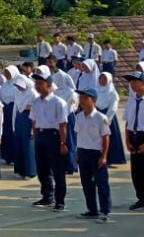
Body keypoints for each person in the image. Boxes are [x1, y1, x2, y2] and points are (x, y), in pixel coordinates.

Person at [30, 71, 69, 212]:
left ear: (49, 85)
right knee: (42, 169)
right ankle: (47, 196)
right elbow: (34, 121)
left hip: (53, 136)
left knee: (57, 171)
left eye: (41, 83)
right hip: (41, 136)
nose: (37, 86)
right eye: (36, 83)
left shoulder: (58, 102)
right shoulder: (35, 101)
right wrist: (35, 136)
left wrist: (63, 143)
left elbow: (62, 125)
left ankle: (60, 201)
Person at [73, 88, 111, 222]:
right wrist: (77, 153)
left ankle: (104, 211)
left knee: (101, 183)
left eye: (85, 98)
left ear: (93, 100)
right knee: (86, 183)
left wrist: (104, 156)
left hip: (96, 153)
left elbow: (105, 138)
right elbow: (78, 136)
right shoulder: (78, 117)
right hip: (83, 152)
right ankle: (92, 209)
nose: (82, 101)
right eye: (81, 98)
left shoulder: (101, 118)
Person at [124, 70, 144, 211]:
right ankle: (141, 198)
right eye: (130, 81)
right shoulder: (131, 101)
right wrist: (127, 140)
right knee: (136, 171)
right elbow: (127, 122)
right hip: (134, 136)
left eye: (135, 81)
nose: (132, 84)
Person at [95, 72, 125, 166]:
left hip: (108, 117)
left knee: (108, 138)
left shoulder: (112, 93)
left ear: (109, 80)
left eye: (104, 79)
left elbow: (113, 107)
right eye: (100, 79)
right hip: (97, 116)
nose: (102, 81)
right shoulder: (95, 90)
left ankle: (110, 159)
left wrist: (107, 119)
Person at [11, 76, 37, 180]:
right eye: (17, 86)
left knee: (28, 147)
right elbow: (15, 109)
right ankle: (20, 170)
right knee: (19, 146)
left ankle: (30, 172)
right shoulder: (17, 93)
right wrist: (14, 125)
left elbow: (35, 111)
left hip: (29, 120)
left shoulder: (33, 93)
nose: (19, 87)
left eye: (20, 86)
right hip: (19, 120)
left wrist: (33, 130)